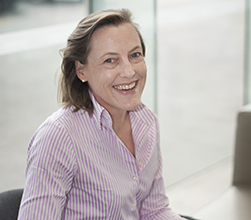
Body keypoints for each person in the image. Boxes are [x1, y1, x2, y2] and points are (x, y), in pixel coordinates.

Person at [17, 8, 186, 220]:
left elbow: (154, 210)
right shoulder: (58, 137)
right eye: (110, 60)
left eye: (135, 55)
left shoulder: (147, 122)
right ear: (81, 70)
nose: (129, 71)